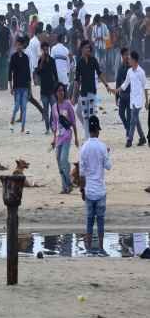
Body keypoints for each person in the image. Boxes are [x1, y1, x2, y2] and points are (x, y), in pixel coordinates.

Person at [79, 116, 111, 255]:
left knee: (89, 221)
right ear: (97, 130)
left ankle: (89, 248)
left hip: (89, 190)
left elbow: (81, 173)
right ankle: (101, 248)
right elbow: (108, 166)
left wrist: (82, 190)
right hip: (100, 190)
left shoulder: (84, 147)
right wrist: (107, 154)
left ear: (89, 130)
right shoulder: (102, 146)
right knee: (101, 221)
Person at [73, 40, 111, 137]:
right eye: (86, 47)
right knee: (82, 115)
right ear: (82, 49)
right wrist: (74, 96)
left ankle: (90, 135)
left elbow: (100, 74)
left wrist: (106, 85)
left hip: (92, 93)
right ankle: (88, 133)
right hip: (83, 93)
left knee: (90, 116)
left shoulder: (93, 60)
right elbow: (77, 81)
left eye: (89, 47)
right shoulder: (79, 63)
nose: (88, 49)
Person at [50, 83, 79, 195]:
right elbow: (54, 123)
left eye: (62, 90)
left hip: (67, 135)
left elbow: (73, 121)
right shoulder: (54, 107)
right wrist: (53, 139)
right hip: (58, 137)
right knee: (58, 159)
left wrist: (76, 138)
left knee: (63, 159)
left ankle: (68, 183)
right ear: (56, 93)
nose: (61, 92)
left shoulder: (68, 104)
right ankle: (65, 186)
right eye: (59, 91)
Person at [116, 50, 147, 147]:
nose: (128, 60)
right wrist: (116, 90)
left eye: (130, 59)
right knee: (136, 120)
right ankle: (142, 138)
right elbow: (125, 84)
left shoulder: (141, 72)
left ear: (134, 60)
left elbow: (145, 87)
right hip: (132, 99)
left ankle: (129, 139)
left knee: (133, 120)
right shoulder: (130, 71)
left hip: (138, 100)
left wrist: (147, 100)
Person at [36, 42, 60, 135]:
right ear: (42, 50)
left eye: (47, 49)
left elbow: (55, 74)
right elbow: (38, 72)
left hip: (52, 89)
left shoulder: (52, 60)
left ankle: (51, 124)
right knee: (45, 110)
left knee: (53, 110)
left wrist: (57, 86)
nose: (46, 51)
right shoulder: (40, 60)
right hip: (43, 90)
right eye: (44, 49)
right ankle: (47, 128)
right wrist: (41, 61)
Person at [9, 37, 31, 132]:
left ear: (22, 46)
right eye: (17, 44)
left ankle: (23, 127)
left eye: (20, 45)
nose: (19, 46)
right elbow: (10, 72)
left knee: (24, 108)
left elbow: (28, 73)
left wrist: (30, 88)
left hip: (25, 86)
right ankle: (12, 119)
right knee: (17, 106)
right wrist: (11, 87)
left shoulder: (26, 58)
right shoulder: (13, 57)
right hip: (17, 86)